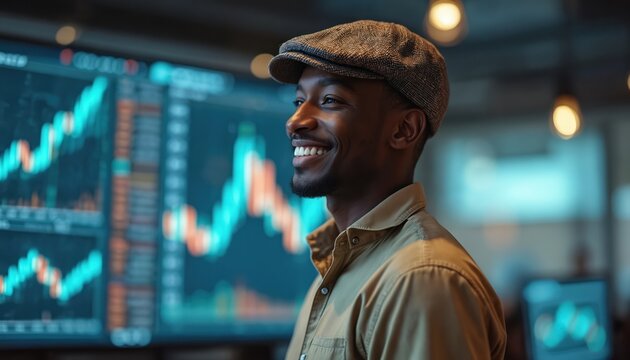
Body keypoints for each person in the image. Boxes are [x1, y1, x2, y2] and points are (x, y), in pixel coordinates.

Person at [268, 20, 506, 359]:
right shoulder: (343, 266)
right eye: (299, 101)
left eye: (330, 100)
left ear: (404, 129)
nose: (296, 121)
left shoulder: (420, 279)